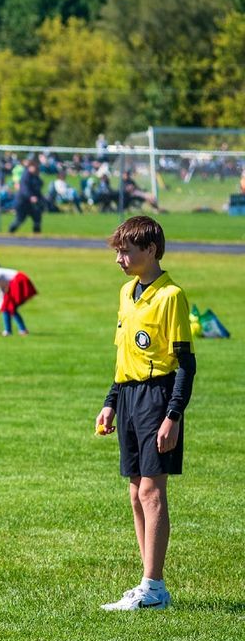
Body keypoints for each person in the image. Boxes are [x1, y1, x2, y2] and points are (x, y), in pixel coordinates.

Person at [96, 217, 195, 612]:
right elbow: (125, 355)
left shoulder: (171, 295)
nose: (120, 258)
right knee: (136, 491)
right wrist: (111, 400)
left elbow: (185, 363)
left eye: (126, 251)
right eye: (118, 251)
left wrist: (173, 414)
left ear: (151, 250)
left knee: (153, 491)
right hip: (130, 395)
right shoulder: (126, 292)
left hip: (158, 396)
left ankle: (154, 586)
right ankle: (147, 583)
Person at [8, 161, 43, 234]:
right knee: (19, 220)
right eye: (34, 167)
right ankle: (10, 233)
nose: (35, 169)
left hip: (32, 204)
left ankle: (37, 237)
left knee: (37, 218)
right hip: (23, 202)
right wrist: (31, 197)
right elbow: (24, 189)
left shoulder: (35, 176)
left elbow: (39, 186)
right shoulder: (26, 176)